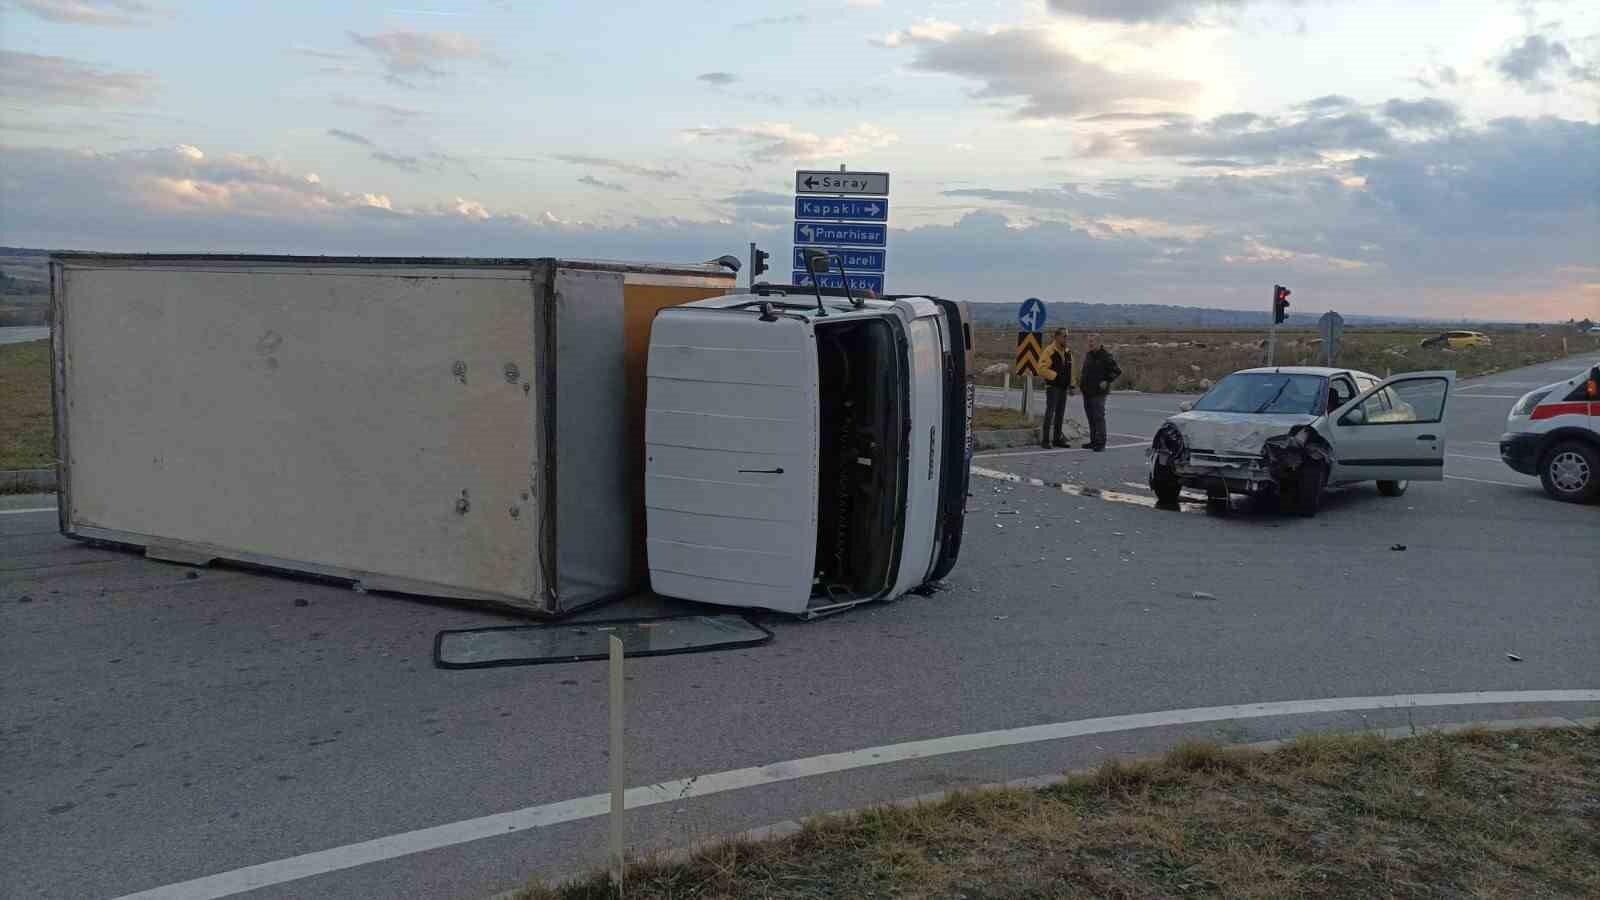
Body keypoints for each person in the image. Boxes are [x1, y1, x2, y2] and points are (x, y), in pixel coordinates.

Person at [1079, 334, 1121, 451]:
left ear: (1098, 342)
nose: (1090, 344)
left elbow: (1116, 371)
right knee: (1091, 417)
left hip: (1098, 393)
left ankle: (1101, 443)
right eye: (1089, 342)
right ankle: (1093, 441)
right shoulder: (1089, 355)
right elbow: (1085, 372)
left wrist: (1107, 380)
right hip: (1087, 391)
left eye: (1092, 341)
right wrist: (1080, 386)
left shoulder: (1106, 356)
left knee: (1098, 417)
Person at [1040, 328, 1074, 448]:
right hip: (1052, 387)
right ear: (1057, 337)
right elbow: (1042, 369)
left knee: (1060, 413)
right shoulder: (1049, 351)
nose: (1066, 339)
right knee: (1050, 413)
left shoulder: (1068, 352)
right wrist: (1055, 376)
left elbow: (1071, 370)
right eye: (1064, 336)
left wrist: (1072, 385)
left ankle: (1057, 438)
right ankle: (1045, 440)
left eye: (1067, 336)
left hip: (1063, 388)